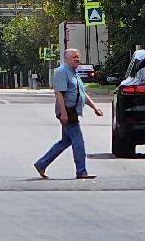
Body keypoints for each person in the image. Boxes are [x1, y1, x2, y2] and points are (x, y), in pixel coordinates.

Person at [34, 48, 102, 179]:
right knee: (78, 141)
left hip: (73, 111)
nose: (77, 59)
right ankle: (81, 171)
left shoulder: (74, 73)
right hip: (67, 111)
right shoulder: (61, 72)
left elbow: (82, 94)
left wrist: (94, 108)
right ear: (66, 59)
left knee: (65, 141)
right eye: (74, 57)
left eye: (78, 57)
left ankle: (42, 163)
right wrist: (63, 113)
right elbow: (59, 93)